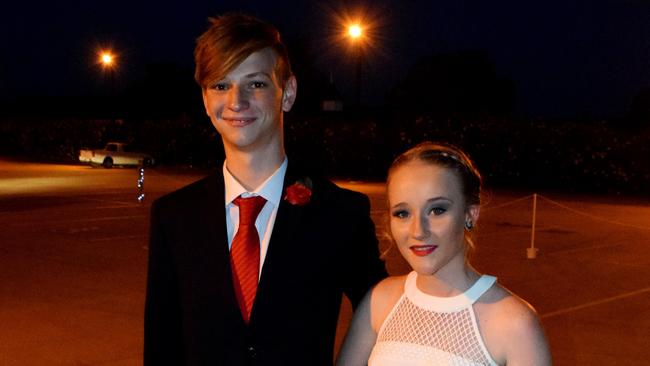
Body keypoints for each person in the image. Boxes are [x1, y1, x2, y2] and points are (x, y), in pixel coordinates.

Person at [144, 13, 387, 365]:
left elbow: (384, 318)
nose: (236, 101)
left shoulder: (340, 213)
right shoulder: (173, 216)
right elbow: (161, 344)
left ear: (287, 92)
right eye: (220, 85)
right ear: (204, 99)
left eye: (255, 84)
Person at [336, 142, 551, 366]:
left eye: (437, 210)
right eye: (402, 213)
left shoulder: (515, 324)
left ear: (471, 214)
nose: (418, 231)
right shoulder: (379, 301)